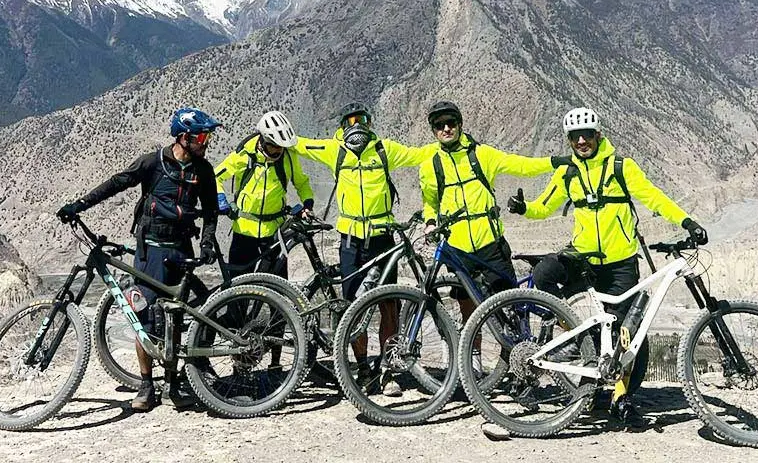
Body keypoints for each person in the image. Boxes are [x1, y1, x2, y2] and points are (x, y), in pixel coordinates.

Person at [506, 106, 708, 425]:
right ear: (569, 140)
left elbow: (654, 197)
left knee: (624, 330)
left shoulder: (620, 167)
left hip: (620, 264)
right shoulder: (567, 172)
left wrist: (687, 221)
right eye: (575, 137)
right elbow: (545, 206)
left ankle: (620, 397)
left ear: (598, 135)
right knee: (544, 272)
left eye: (587, 135)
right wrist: (524, 208)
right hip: (582, 259)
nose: (581, 141)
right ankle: (574, 337)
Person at [56, 107, 223, 412]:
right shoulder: (153, 162)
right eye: (201, 137)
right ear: (183, 138)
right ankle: (147, 384)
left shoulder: (204, 170)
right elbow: (117, 183)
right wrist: (79, 205)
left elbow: (211, 210)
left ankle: (172, 383)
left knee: (174, 317)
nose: (206, 143)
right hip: (151, 250)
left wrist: (208, 242)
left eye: (207, 137)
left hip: (181, 248)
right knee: (144, 317)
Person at [293, 101, 429, 396]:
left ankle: (388, 370)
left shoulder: (384, 149)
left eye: (362, 120)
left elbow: (419, 154)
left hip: (382, 238)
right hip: (350, 241)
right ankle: (364, 369)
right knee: (353, 308)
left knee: (389, 306)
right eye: (350, 121)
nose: (356, 126)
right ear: (342, 127)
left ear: (370, 123)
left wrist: (452, 144)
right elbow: (298, 144)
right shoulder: (334, 150)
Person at [417, 101, 556, 341]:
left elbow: (521, 165)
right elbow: (430, 202)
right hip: (458, 249)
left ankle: (518, 354)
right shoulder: (430, 165)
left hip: (491, 245)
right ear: (433, 131)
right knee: (469, 312)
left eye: (451, 123)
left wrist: (555, 162)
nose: (446, 128)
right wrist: (430, 221)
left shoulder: (481, 154)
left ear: (460, 124)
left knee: (512, 307)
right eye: (439, 125)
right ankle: (474, 357)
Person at [214, 110, 315, 281]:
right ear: (263, 140)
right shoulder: (244, 155)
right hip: (244, 231)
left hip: (275, 232)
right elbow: (215, 177)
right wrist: (220, 199)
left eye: (281, 147)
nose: (278, 151)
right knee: (238, 286)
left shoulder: (288, 157)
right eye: (274, 146)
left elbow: (301, 182)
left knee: (278, 284)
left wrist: (308, 204)